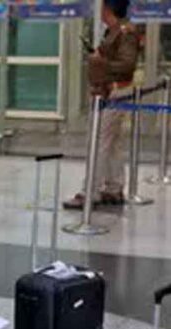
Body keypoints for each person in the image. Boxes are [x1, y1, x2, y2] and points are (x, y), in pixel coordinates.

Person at [64, 0, 139, 209]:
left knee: (98, 142)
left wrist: (99, 61)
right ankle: (114, 187)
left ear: (108, 9)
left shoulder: (125, 32)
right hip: (109, 90)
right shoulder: (113, 31)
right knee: (113, 142)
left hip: (115, 92)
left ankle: (90, 191)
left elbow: (127, 65)